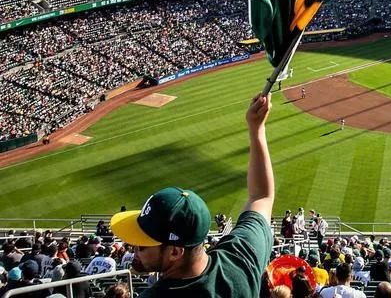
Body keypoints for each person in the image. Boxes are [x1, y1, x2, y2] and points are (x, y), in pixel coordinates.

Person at [108, 91, 275, 297]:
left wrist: (255, 128)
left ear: (175, 252)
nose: (133, 248)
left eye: (142, 246)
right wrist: (257, 129)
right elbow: (261, 196)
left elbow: (260, 196)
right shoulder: (240, 259)